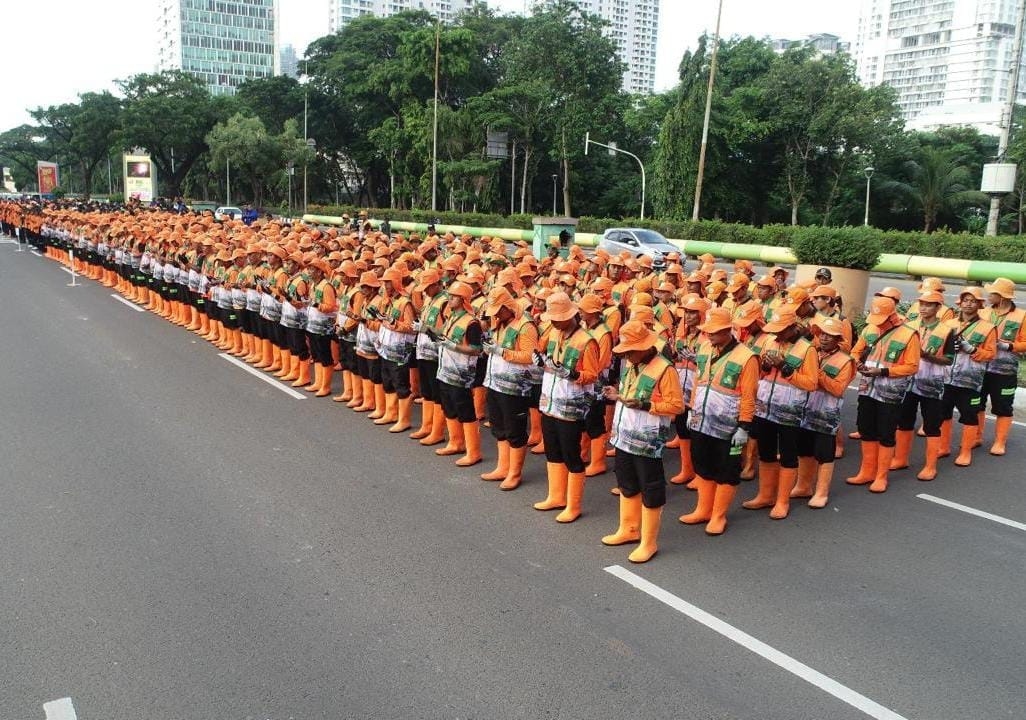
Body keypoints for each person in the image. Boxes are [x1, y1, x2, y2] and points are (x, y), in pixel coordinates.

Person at [600, 321, 685, 563]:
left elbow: (677, 406)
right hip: (625, 436)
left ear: (646, 347)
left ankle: (649, 542)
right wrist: (617, 396)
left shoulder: (665, 370)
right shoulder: (631, 364)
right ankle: (628, 529)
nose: (626, 355)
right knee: (627, 483)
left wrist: (648, 406)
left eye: (631, 350)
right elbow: (630, 394)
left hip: (648, 441)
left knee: (651, 488)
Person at [678, 307, 759, 536]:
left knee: (726, 470)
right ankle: (703, 509)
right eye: (708, 331)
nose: (709, 335)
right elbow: (698, 382)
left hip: (729, 427)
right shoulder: (705, 348)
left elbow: (749, 395)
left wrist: (744, 426)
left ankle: (718, 515)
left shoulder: (747, 357)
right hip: (702, 421)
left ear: (727, 330)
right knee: (702, 465)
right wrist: (693, 409)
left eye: (714, 332)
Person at [742, 307, 819, 520]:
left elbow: (811, 383)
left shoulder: (807, 349)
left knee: (787, 455)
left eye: (781, 331)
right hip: (765, 408)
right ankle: (765, 495)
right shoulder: (770, 341)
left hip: (789, 413)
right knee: (766, 453)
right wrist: (765, 367)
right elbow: (761, 372)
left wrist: (785, 367)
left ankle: (782, 501)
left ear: (793, 327)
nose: (776, 335)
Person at [533, 292, 600, 523]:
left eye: (557, 318)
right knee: (553, 451)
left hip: (571, 407)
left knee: (572, 455)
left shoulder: (586, 341)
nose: (553, 322)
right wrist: (538, 358)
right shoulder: (553, 332)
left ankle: (573, 505)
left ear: (570, 316)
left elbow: (592, 375)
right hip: (549, 402)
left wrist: (572, 374)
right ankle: (556, 496)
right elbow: (540, 349)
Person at [846, 297, 921, 493]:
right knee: (866, 428)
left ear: (892, 315)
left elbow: (912, 366)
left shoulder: (908, 335)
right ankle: (866, 471)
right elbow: (855, 351)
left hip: (890, 392)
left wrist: (884, 372)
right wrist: (858, 363)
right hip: (867, 388)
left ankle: (881, 476)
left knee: (886, 432)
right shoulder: (869, 329)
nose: (877, 323)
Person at [480, 287, 541, 489]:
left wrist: (502, 352)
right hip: (495, 383)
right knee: (499, 427)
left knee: (515, 430)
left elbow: (529, 356)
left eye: (499, 310)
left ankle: (515, 473)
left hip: (515, 388)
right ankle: (502, 467)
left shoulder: (525, 325)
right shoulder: (500, 323)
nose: (495, 315)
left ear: (508, 307)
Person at [892, 291, 955, 480]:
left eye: (929, 304)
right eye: (922, 303)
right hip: (909, 382)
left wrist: (927, 356)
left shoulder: (946, 331)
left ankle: (930, 466)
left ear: (938, 308)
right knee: (904, 421)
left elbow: (949, 360)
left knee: (932, 425)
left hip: (932, 385)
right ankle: (900, 458)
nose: (923, 307)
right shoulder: (908, 327)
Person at [793, 317, 855, 507]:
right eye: (821, 334)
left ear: (838, 339)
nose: (825, 338)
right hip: (804, 410)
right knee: (804, 449)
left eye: (830, 335)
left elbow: (837, 389)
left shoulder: (846, 361)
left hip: (826, 414)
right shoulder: (810, 353)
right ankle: (803, 486)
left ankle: (821, 492)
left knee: (824, 452)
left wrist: (816, 373)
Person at [939, 287, 997, 467]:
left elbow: (990, 354)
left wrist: (972, 349)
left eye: (973, 301)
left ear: (980, 304)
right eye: (965, 300)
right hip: (946, 378)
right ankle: (943, 447)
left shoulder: (988, 328)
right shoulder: (948, 325)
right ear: (960, 303)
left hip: (970, 381)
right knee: (943, 413)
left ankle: (965, 451)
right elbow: (939, 347)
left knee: (969, 416)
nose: (968, 304)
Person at [432, 281, 485, 467]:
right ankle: (455, 442)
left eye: (454, 296)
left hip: (461, 374)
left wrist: (454, 346)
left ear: (463, 300)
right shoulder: (452, 316)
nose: (450, 299)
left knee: (466, 412)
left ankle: (474, 452)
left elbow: (476, 349)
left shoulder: (472, 323)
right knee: (449, 407)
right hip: (445, 371)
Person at [981, 278, 1026, 456]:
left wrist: (1009, 346)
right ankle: (977, 436)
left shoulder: (1021, 316)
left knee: (1003, 406)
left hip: (1005, 372)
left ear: (1002, 297)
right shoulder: (983, 312)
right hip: (980, 368)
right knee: (977, 404)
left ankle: (1000, 441)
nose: (988, 295)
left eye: (992, 293)